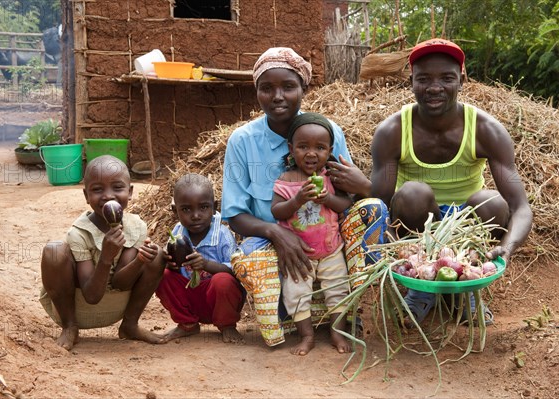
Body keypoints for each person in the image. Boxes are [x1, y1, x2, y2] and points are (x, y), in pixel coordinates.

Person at [222, 47, 388, 347]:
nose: (277, 96)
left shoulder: (329, 131)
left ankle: (351, 307)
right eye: (266, 88)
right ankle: (285, 314)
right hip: (271, 237)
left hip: (326, 235)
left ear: (304, 88)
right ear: (256, 92)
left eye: (288, 86)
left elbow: (347, 195)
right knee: (252, 253)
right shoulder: (243, 141)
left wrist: (363, 187)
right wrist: (275, 232)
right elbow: (234, 214)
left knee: (373, 210)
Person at [371, 38, 533, 325]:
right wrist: (395, 249)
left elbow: (519, 207)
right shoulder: (392, 131)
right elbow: (380, 204)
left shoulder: (486, 129)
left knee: (492, 202)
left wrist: (506, 249)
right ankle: (421, 287)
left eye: (446, 78)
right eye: (424, 79)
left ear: (461, 79)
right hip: (417, 225)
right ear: (411, 82)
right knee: (412, 194)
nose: (435, 88)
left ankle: (467, 282)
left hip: (467, 227)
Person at [39, 155, 165, 350]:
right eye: (97, 189)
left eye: (117, 187)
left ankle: (130, 325)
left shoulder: (136, 227)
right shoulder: (79, 233)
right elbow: (91, 295)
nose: (108, 196)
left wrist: (140, 260)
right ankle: (69, 327)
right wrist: (106, 257)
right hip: (81, 306)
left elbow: (121, 283)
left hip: (117, 304)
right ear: (86, 196)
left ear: (130, 192)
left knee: (157, 255)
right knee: (54, 251)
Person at [271, 112, 353, 355]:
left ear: (329, 151)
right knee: (295, 293)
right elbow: (277, 211)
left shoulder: (332, 178)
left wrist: (327, 197)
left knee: (338, 289)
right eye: (303, 146)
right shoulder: (286, 181)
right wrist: (297, 199)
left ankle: (337, 333)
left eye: (320, 147)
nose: (311, 153)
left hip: (331, 250)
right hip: (300, 254)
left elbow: (345, 204)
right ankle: (306, 336)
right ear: (291, 148)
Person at [156, 173, 245, 344]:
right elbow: (174, 270)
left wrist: (206, 264)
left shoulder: (222, 235)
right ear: (175, 211)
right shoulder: (177, 233)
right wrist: (169, 263)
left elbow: (237, 271)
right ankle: (187, 324)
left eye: (203, 207)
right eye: (186, 209)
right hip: (190, 297)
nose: (195, 215)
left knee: (223, 281)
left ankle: (227, 325)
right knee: (162, 275)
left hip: (218, 300)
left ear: (214, 207)